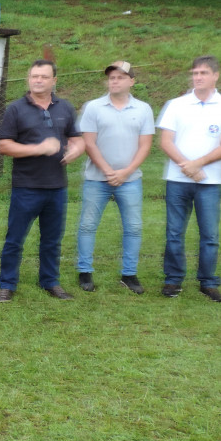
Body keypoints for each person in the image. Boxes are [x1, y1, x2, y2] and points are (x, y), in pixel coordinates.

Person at [0, 59, 84, 302]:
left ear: (54, 80)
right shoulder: (16, 109)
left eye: (44, 77)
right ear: (28, 79)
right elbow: (4, 146)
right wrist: (39, 148)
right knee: (15, 239)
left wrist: (77, 149)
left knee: (52, 240)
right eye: (34, 76)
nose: (38, 80)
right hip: (26, 186)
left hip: (57, 187)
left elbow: (77, 139)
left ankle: (50, 281)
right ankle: (7, 284)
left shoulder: (65, 107)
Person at [76, 61, 154, 295]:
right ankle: (84, 271)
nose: (115, 81)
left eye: (120, 77)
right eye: (112, 77)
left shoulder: (143, 109)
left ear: (132, 81)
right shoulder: (93, 107)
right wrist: (108, 171)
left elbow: (145, 145)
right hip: (96, 178)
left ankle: (129, 274)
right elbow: (89, 143)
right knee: (88, 225)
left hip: (130, 180)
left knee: (133, 227)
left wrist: (126, 172)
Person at [157, 55, 221, 302]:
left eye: (203, 73)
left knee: (210, 236)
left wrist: (199, 163)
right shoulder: (176, 104)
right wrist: (188, 166)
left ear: (215, 76)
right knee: (174, 232)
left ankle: (208, 282)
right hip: (178, 180)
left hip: (210, 182)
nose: (197, 77)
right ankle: (173, 279)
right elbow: (166, 142)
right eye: (195, 73)